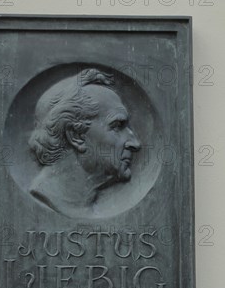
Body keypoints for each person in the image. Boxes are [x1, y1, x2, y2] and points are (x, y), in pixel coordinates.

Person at [28, 68, 141, 216]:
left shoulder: (86, 207)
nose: (136, 143)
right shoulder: (47, 198)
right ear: (76, 136)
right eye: (117, 126)